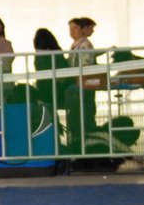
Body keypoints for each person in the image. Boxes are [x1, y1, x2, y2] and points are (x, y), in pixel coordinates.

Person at [66, 17, 98, 150]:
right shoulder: (76, 45)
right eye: (70, 29)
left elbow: (85, 64)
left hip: (83, 86)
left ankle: (85, 146)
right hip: (78, 86)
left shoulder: (85, 45)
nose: (71, 32)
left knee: (85, 115)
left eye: (74, 28)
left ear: (82, 29)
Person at [32, 28, 72, 109]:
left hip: (45, 88)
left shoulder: (39, 56)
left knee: (48, 110)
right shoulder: (57, 54)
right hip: (59, 88)